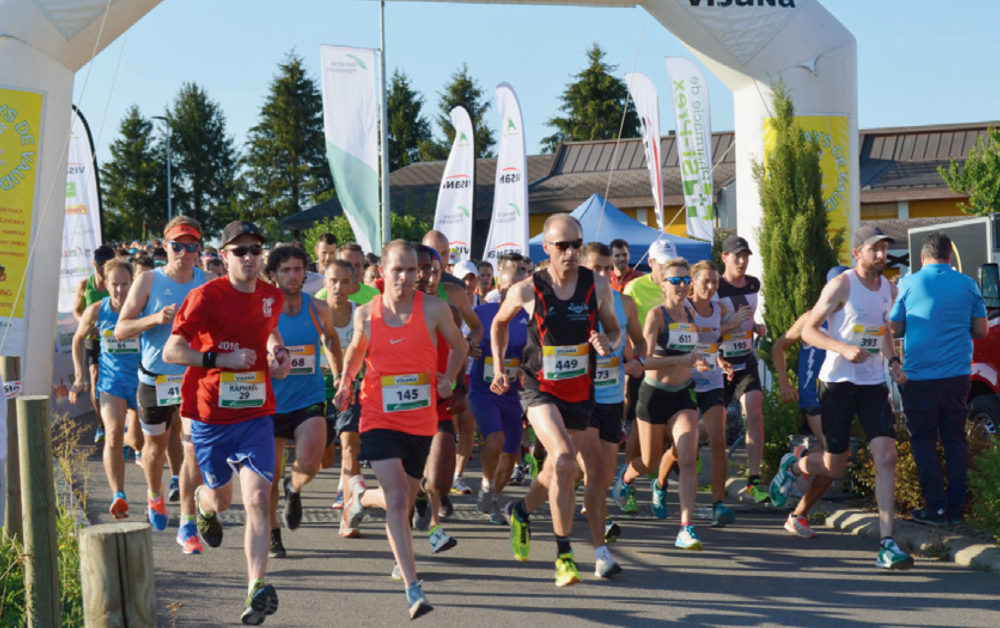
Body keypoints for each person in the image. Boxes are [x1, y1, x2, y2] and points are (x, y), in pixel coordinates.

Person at [163, 220, 289, 623]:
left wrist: (279, 353)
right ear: (223, 255)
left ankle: (255, 587)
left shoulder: (271, 296)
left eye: (255, 250)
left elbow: (268, 332)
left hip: (255, 413)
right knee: (221, 499)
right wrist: (221, 360)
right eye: (240, 251)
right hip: (211, 415)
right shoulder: (205, 297)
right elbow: (172, 351)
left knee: (257, 500)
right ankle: (202, 506)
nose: (250, 257)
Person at [335, 240, 465, 620]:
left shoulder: (436, 309)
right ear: (381, 273)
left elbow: (458, 347)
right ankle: (412, 586)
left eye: (413, 270)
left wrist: (449, 379)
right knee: (397, 500)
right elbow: (356, 351)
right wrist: (345, 382)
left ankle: (358, 498)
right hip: (378, 416)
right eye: (399, 270)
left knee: (405, 499)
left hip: (420, 420)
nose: (407, 278)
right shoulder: (366, 314)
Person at [771, 226, 913, 570]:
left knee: (886, 455)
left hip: (872, 384)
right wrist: (842, 347)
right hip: (836, 383)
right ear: (857, 254)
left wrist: (893, 362)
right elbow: (808, 330)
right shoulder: (842, 285)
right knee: (836, 464)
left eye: (884, 248)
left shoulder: (889, 289)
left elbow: (881, 332)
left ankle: (887, 543)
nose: (881, 255)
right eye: (874, 249)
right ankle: (797, 463)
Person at [493, 214, 622, 585]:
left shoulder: (596, 285)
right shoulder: (527, 289)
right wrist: (501, 368)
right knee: (565, 458)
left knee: (560, 471)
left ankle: (520, 509)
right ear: (546, 248)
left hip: (580, 391)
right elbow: (499, 323)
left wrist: (606, 343)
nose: (570, 252)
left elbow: (613, 330)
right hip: (540, 389)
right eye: (562, 245)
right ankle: (564, 554)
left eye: (576, 244)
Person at [115, 217, 205, 553]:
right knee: (154, 449)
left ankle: (188, 522)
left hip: (193, 379)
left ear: (199, 249)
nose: (184, 252)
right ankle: (154, 496)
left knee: (190, 450)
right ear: (165, 247)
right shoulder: (148, 280)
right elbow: (120, 330)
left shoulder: (207, 282)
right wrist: (155, 318)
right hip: (155, 379)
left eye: (191, 246)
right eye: (177, 246)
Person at [889, 231, 987, 526]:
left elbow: (893, 328)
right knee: (956, 439)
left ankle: (936, 510)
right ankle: (956, 510)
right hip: (958, 376)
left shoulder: (907, 284)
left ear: (922, 257)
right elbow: (981, 331)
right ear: (949, 256)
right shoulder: (968, 285)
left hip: (919, 378)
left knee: (923, 442)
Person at [615, 257, 708, 551]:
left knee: (688, 455)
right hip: (654, 395)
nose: (682, 286)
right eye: (676, 281)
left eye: (685, 280)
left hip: (683, 395)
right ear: (664, 285)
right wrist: (680, 360)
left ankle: (686, 528)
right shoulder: (656, 315)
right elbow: (646, 360)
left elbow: (693, 351)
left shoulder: (691, 315)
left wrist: (705, 362)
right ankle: (627, 478)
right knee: (649, 461)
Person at [265, 245, 342, 558]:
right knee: (268, 476)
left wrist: (339, 376)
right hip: (268, 403)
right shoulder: (263, 309)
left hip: (307, 399)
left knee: (310, 463)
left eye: (298, 270)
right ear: (273, 275)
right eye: (286, 270)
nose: (293, 276)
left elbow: (331, 338)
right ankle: (273, 535)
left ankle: (294, 487)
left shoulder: (318, 308)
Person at [770, 265, 849, 538]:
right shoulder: (810, 318)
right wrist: (784, 383)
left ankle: (798, 510)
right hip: (813, 395)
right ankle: (793, 467)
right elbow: (779, 346)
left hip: (841, 395)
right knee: (835, 453)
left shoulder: (853, 318)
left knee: (838, 460)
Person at [579, 243, 647, 542]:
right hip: (579, 396)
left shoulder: (625, 303)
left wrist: (638, 362)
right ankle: (600, 524)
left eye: (608, 268)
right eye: (597, 268)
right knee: (592, 466)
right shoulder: (572, 305)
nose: (605, 273)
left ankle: (526, 509)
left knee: (604, 472)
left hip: (612, 396)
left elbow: (640, 343)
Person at [70, 258, 139, 519]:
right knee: (112, 434)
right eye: (114, 285)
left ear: (132, 283)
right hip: (112, 382)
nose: (119, 290)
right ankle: (118, 495)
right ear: (105, 284)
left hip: (142, 382)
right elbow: (77, 339)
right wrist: (80, 376)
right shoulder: (97, 310)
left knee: (138, 441)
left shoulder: (142, 308)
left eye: (124, 284)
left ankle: (137, 445)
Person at [422, 230, 484, 496]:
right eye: (434, 253)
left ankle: (456, 476)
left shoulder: (454, 292)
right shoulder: (403, 293)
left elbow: (477, 327)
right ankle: (429, 485)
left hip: (453, 374)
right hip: (417, 380)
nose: (440, 259)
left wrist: (468, 346)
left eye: (445, 253)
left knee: (466, 421)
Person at [619, 239, 678, 512]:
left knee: (674, 431)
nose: (667, 268)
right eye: (662, 263)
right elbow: (625, 326)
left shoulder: (677, 286)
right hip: (644, 367)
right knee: (638, 431)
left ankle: (658, 477)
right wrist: (634, 359)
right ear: (651, 262)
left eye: (670, 262)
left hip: (674, 366)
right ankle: (628, 484)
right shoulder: (635, 287)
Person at [469, 263, 528, 524]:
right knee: (494, 439)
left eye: (515, 289)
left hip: (514, 394)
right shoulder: (482, 313)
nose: (508, 295)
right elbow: (459, 339)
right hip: (484, 390)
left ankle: (493, 495)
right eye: (504, 289)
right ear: (497, 287)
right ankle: (484, 484)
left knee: (510, 452)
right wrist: (468, 348)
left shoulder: (530, 316)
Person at [717, 235, 768, 503]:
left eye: (746, 255)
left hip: (745, 360)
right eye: (737, 256)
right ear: (724, 258)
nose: (742, 261)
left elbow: (747, 316)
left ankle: (753, 480)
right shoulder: (714, 287)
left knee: (755, 414)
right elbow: (706, 329)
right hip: (720, 362)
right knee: (707, 427)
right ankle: (676, 458)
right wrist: (731, 324)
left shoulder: (752, 284)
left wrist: (755, 326)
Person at [322, 260, 364, 535]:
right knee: (322, 459)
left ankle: (349, 514)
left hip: (352, 390)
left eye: (344, 281)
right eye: (333, 281)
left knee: (350, 448)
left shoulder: (361, 315)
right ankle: (338, 477)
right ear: (324, 283)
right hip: (318, 390)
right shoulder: (314, 312)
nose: (338, 287)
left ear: (353, 285)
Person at [74, 245, 115, 437]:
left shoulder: (116, 284)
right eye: (100, 263)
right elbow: (77, 311)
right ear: (93, 263)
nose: (102, 267)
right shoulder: (85, 285)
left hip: (114, 339)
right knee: (94, 375)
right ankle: (101, 425)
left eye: (107, 264)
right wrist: (86, 324)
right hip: (93, 337)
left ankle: (119, 422)